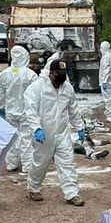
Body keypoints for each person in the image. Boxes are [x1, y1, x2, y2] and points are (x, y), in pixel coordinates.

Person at [23, 59, 86, 206]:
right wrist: (36, 128)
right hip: (44, 134)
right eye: (59, 74)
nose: (62, 77)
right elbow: (30, 110)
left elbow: (73, 110)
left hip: (62, 133)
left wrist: (79, 127)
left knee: (67, 162)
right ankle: (33, 188)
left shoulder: (67, 88)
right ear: (51, 73)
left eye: (64, 74)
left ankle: (72, 194)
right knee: (40, 163)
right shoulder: (37, 88)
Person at [0, 46, 38, 172]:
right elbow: (36, 95)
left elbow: (0, 95)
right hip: (26, 111)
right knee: (26, 138)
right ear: (26, 56)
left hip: (10, 111)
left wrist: (1, 108)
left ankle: (11, 163)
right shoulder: (30, 75)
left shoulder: (4, 74)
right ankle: (27, 165)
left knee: (12, 138)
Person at [99, 40, 111, 123]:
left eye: (101, 48)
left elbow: (107, 70)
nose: (100, 50)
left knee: (108, 99)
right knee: (110, 98)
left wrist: (104, 81)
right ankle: (110, 114)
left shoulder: (107, 57)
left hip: (108, 82)